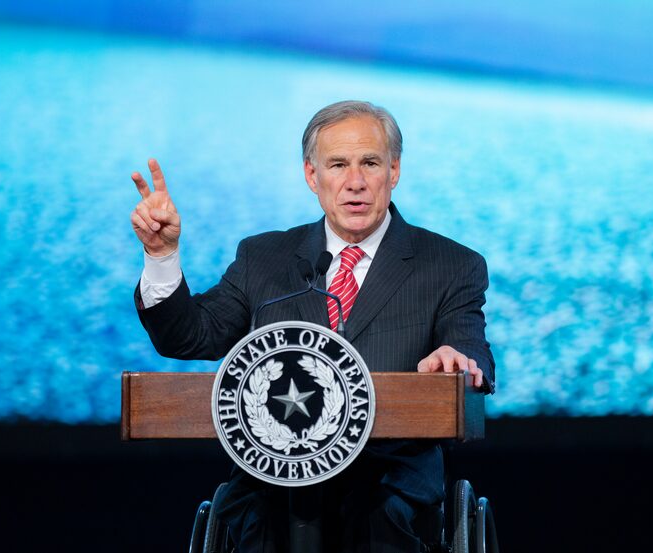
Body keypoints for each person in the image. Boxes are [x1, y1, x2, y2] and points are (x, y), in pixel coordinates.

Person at [130, 100, 495, 553]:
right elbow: (189, 335)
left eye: (370, 163)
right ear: (312, 176)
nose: (355, 182)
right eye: (338, 164)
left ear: (394, 171)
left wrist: (457, 362)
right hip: (272, 484)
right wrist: (162, 256)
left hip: (388, 487)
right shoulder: (264, 259)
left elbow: (469, 348)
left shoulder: (450, 265)